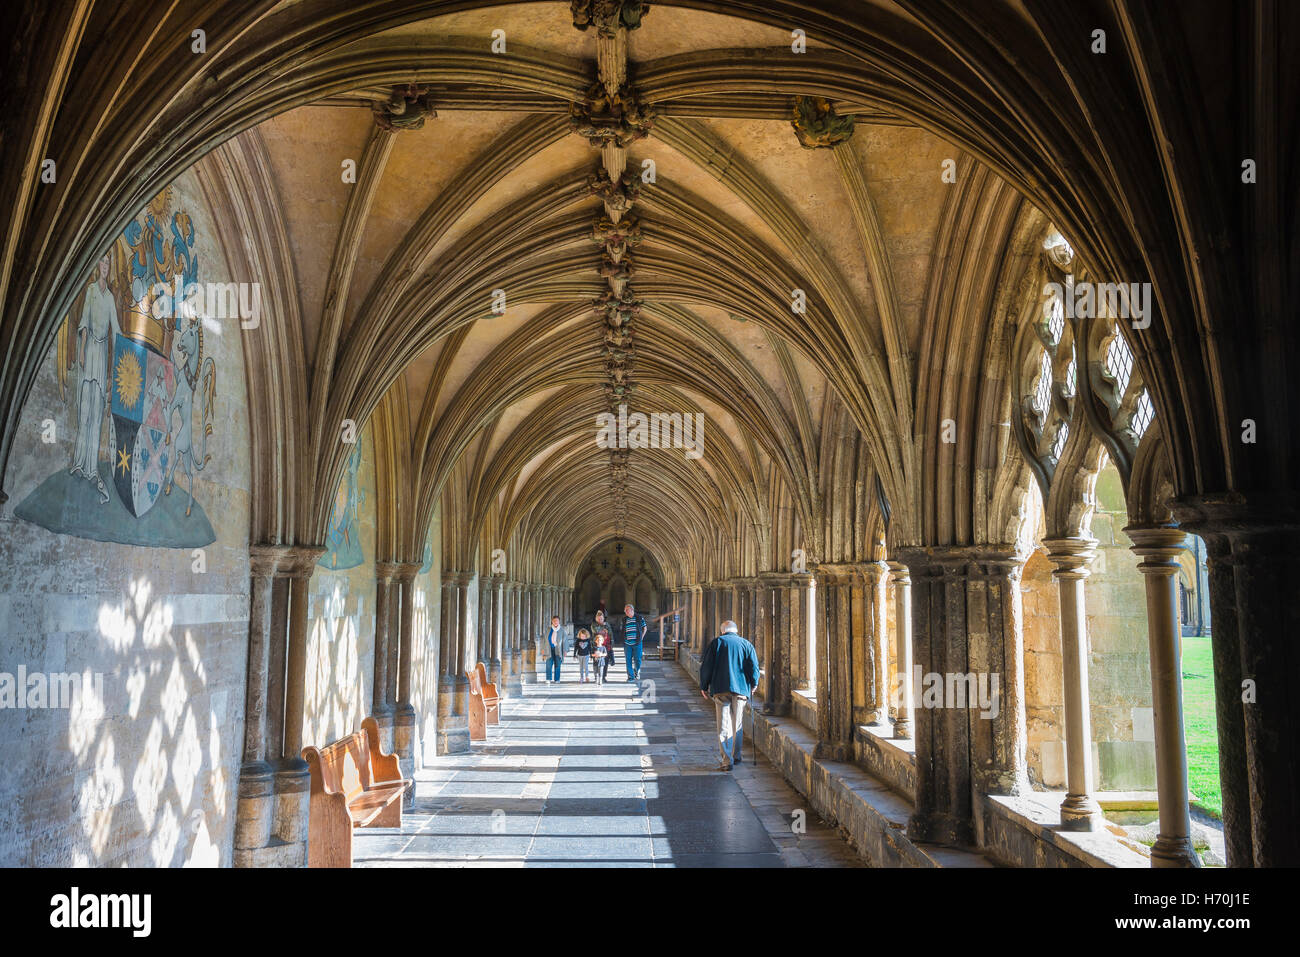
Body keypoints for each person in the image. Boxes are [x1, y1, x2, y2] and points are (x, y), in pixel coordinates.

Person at [699, 619, 760, 771]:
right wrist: (754, 683)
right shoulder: (746, 644)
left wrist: (704, 686)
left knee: (723, 725)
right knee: (737, 724)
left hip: (720, 688)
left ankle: (727, 760)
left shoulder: (717, 643)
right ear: (736, 631)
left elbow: (706, 666)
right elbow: (754, 667)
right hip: (741, 689)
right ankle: (737, 756)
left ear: (722, 631)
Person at [621, 603, 647, 681]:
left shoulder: (639, 618)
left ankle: (636, 672)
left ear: (632, 610)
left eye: (626, 610)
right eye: (625, 611)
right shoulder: (624, 619)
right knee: (628, 660)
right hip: (627, 644)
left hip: (637, 643)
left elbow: (645, 628)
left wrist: (641, 638)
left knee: (638, 659)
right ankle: (630, 677)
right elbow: (622, 629)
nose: (625, 612)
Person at [591, 610, 613, 682]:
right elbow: (596, 631)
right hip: (596, 646)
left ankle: (603, 676)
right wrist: (603, 626)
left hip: (606, 646)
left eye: (601, 618)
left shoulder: (607, 624)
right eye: (599, 618)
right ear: (596, 619)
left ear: (603, 618)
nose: (600, 620)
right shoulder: (593, 625)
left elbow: (610, 633)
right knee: (596, 662)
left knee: (605, 662)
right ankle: (596, 676)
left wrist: (612, 644)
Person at [544, 615, 565, 683]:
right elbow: (544, 640)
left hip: (558, 649)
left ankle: (557, 679)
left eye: (557, 621)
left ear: (559, 622)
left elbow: (565, 640)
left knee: (558, 664)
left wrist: (564, 650)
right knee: (548, 664)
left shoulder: (562, 630)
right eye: (554, 621)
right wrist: (543, 649)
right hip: (549, 649)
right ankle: (548, 678)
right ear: (552, 621)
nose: (555, 622)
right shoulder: (548, 630)